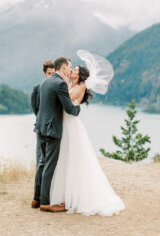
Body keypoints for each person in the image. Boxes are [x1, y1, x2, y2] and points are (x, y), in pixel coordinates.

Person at [50, 63, 125, 216]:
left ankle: (78, 197)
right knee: (65, 158)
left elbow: (68, 99)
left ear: (80, 75)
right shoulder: (71, 84)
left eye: (75, 70)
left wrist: (63, 84)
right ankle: (67, 196)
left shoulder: (81, 86)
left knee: (76, 160)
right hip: (65, 123)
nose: (72, 71)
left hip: (72, 125)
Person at [32, 57, 80, 212]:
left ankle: (37, 198)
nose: (70, 69)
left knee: (43, 163)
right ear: (64, 67)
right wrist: (78, 107)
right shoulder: (59, 83)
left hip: (41, 128)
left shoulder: (44, 82)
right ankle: (45, 203)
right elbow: (68, 108)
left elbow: (39, 106)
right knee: (49, 165)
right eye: (70, 66)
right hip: (52, 130)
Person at [31, 60, 54, 208]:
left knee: (49, 163)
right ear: (45, 73)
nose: (51, 76)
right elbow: (36, 109)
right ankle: (36, 197)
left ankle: (48, 195)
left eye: (53, 73)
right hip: (41, 129)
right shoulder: (37, 88)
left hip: (52, 130)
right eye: (49, 74)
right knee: (41, 162)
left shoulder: (56, 87)